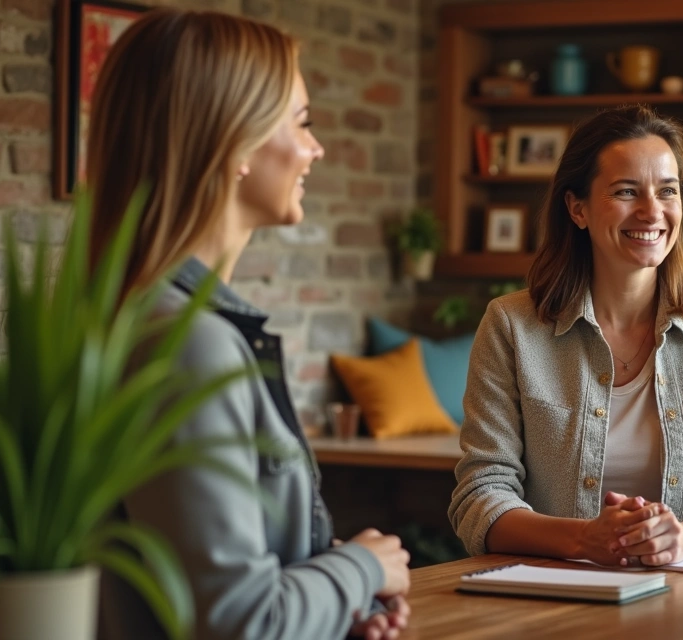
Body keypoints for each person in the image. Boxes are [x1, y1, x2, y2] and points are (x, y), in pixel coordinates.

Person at [87, 10, 411, 639]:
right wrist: (359, 569)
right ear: (235, 142)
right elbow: (238, 621)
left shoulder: (148, 321)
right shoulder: (187, 347)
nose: (315, 148)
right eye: (302, 123)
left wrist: (331, 604)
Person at [449, 105, 683, 567]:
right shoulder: (511, 326)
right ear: (578, 208)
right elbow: (480, 495)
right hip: (551, 603)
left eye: (667, 191)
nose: (652, 211)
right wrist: (583, 541)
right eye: (626, 191)